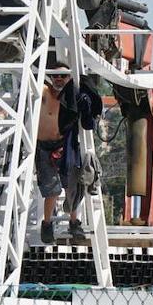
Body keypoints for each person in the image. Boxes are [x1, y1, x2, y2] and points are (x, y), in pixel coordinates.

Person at [36, 59, 102, 244]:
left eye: (63, 76)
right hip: (43, 146)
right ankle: (47, 224)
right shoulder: (43, 92)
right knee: (51, 189)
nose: (58, 79)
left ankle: (75, 222)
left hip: (64, 145)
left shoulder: (73, 95)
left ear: (69, 78)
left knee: (72, 185)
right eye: (55, 75)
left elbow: (88, 119)